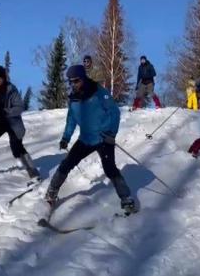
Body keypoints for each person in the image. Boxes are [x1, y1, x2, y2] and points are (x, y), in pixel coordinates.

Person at [44, 65, 137, 213]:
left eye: (76, 80)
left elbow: (114, 112)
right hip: (86, 139)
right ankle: (51, 193)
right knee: (67, 164)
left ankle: (126, 198)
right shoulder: (73, 99)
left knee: (109, 168)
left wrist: (111, 134)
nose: (73, 84)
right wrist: (65, 138)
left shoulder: (99, 92)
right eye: (71, 81)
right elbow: (71, 119)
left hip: (103, 138)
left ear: (83, 78)